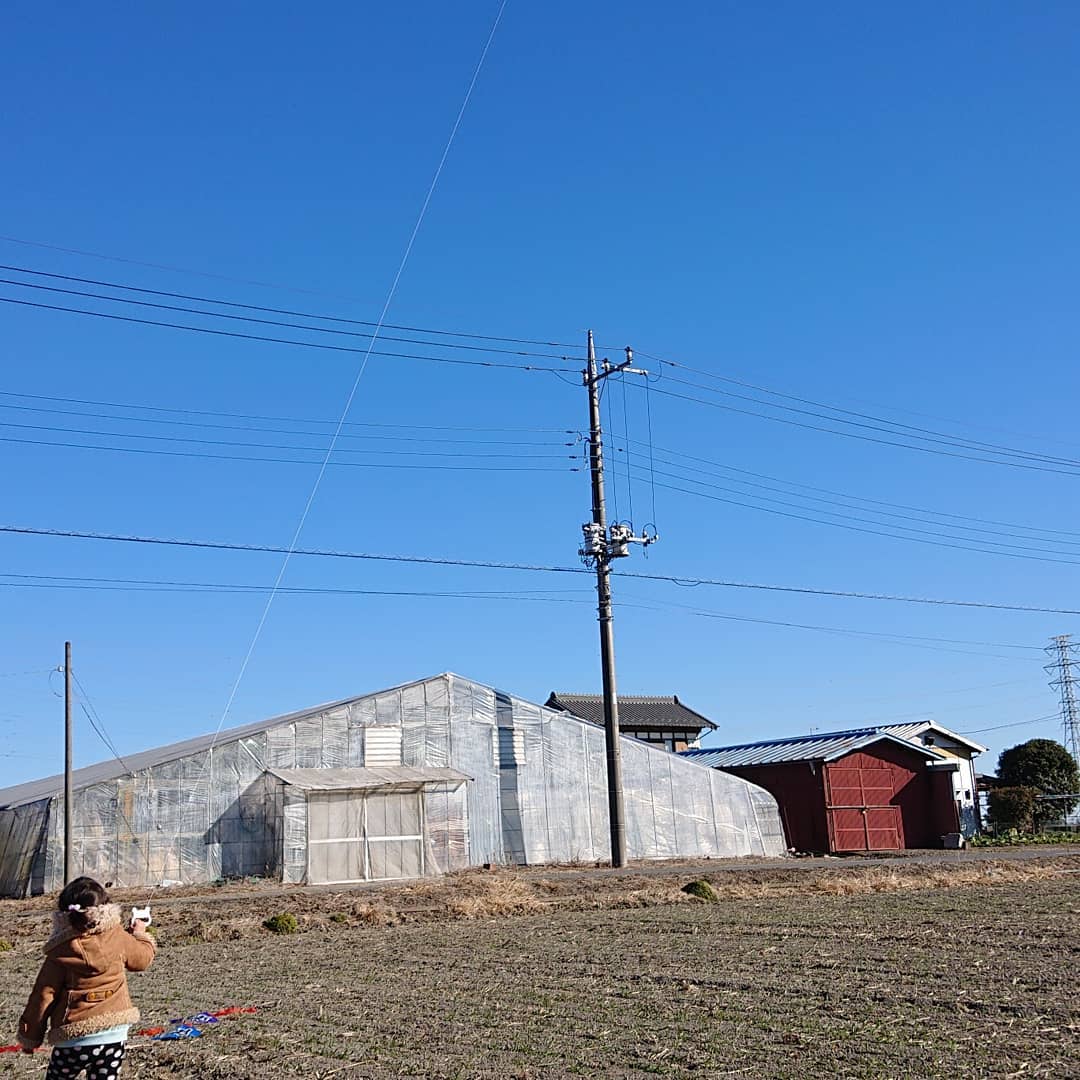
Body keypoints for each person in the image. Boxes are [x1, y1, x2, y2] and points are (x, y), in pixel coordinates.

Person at [16, 876, 156, 1079]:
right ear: (106, 908)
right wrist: (140, 932)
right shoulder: (118, 938)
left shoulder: (60, 953)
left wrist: (29, 1038)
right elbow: (142, 959)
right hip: (113, 1035)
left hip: (72, 1039)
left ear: (63, 915)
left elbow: (42, 997)